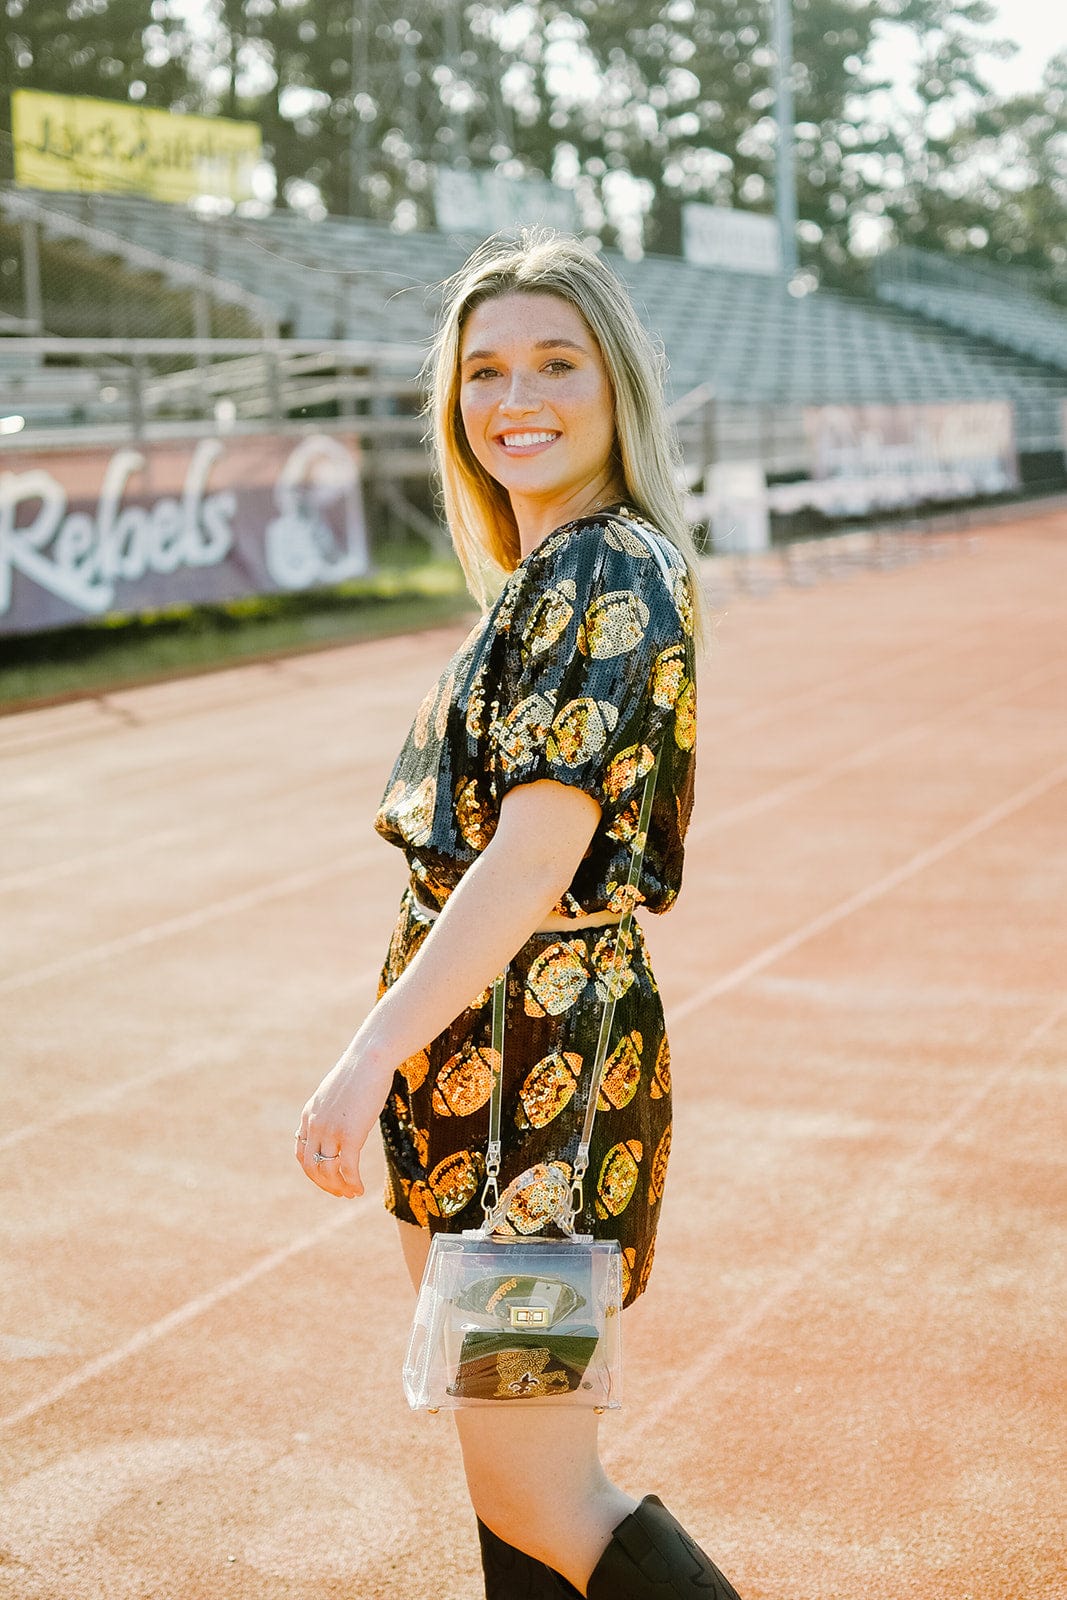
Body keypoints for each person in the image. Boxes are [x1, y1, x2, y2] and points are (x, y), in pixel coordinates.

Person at [295, 231, 743, 1600]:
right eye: (483, 370)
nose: (516, 396)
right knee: (510, 1490)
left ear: (616, 384)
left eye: (556, 361)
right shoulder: (558, 572)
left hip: (533, 1095)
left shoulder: (607, 571)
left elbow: (537, 852)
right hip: (497, 1073)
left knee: (549, 1493)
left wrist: (368, 1052)